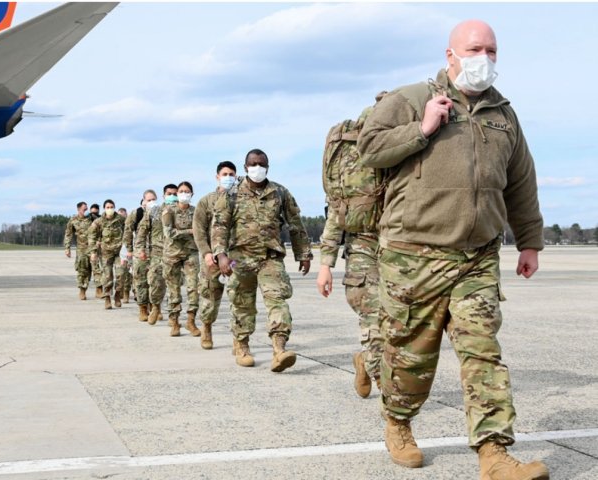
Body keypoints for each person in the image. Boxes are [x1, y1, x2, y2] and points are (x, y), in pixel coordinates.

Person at [356, 20, 548, 479]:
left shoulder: (504, 115)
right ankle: (398, 422)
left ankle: (494, 453)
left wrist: (530, 241)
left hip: (477, 257)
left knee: (483, 352)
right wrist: (421, 130)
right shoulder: (409, 99)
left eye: (492, 50)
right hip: (414, 255)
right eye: (475, 48)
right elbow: (368, 147)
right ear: (450, 55)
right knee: (411, 357)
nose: (485, 57)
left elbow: (520, 181)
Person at [212, 149, 313, 372]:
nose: (258, 167)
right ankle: (242, 345)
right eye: (254, 164)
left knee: (277, 300)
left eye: (262, 164)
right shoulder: (231, 194)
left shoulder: (279, 192)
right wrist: (221, 255)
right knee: (242, 304)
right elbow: (220, 226)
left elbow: (295, 223)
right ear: (246, 166)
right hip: (240, 258)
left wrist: (303, 253)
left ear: (268, 166)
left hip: (270, 257)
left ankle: (279, 349)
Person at [316, 194, 382, 398]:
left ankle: (364, 359)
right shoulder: (346, 165)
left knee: (405, 325)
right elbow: (337, 212)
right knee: (374, 315)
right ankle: (386, 389)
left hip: (406, 248)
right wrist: (325, 264)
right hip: (364, 246)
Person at [192, 161, 237, 349]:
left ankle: (239, 338)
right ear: (217, 176)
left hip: (235, 256)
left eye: (232, 174)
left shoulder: (240, 199)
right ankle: (207, 328)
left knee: (239, 299)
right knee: (210, 297)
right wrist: (206, 253)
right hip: (212, 258)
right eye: (225, 174)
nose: (228, 177)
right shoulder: (206, 201)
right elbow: (199, 230)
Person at [161, 181, 200, 337]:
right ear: (177, 194)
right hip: (172, 254)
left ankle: (191, 321)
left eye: (187, 191)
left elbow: (201, 231)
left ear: (192, 194)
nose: (184, 193)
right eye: (181, 191)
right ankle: (175, 322)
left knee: (193, 287)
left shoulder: (196, 211)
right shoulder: (168, 211)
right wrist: (190, 231)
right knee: (173, 290)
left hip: (191, 253)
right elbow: (169, 233)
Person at [135, 185, 175, 326]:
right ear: (164, 196)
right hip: (157, 253)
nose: (173, 196)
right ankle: (155, 307)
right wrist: (140, 249)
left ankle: (173, 317)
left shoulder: (184, 211)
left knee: (174, 287)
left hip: (177, 254)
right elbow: (142, 231)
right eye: (169, 194)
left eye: (175, 194)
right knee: (156, 284)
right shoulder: (155, 211)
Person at [124, 190, 157, 321]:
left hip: (155, 251)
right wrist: (130, 249)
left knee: (155, 281)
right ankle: (143, 308)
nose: (151, 202)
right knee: (141, 281)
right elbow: (127, 231)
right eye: (149, 200)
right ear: (143, 200)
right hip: (140, 252)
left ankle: (154, 307)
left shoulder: (159, 213)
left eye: (154, 199)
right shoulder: (136, 213)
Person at [88, 199, 125, 310]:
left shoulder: (121, 220)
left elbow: (128, 232)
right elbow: (91, 236)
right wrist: (93, 252)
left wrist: (128, 249)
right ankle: (107, 297)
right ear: (104, 209)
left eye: (112, 207)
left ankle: (118, 294)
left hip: (119, 252)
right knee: (107, 276)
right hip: (105, 252)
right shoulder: (99, 221)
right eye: (108, 207)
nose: (110, 209)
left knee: (121, 274)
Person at [63, 201, 92, 300]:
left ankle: (100, 289)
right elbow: (68, 234)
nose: (86, 211)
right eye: (84, 209)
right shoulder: (73, 220)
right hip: (82, 249)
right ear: (79, 209)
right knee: (82, 270)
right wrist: (67, 248)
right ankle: (82, 290)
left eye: (87, 209)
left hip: (94, 249)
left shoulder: (92, 219)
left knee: (96, 270)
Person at [116, 207, 133, 303]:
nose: (121, 216)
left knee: (129, 274)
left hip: (129, 250)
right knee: (121, 274)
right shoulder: (116, 225)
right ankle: (120, 291)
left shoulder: (130, 224)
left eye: (123, 214)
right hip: (118, 252)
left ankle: (126, 292)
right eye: (119, 214)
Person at [87, 203, 104, 298]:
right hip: (86, 248)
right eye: (92, 212)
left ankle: (99, 289)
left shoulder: (101, 220)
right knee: (85, 270)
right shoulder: (86, 220)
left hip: (98, 248)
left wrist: (99, 241)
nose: (93, 214)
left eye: (95, 212)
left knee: (97, 268)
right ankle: (83, 290)